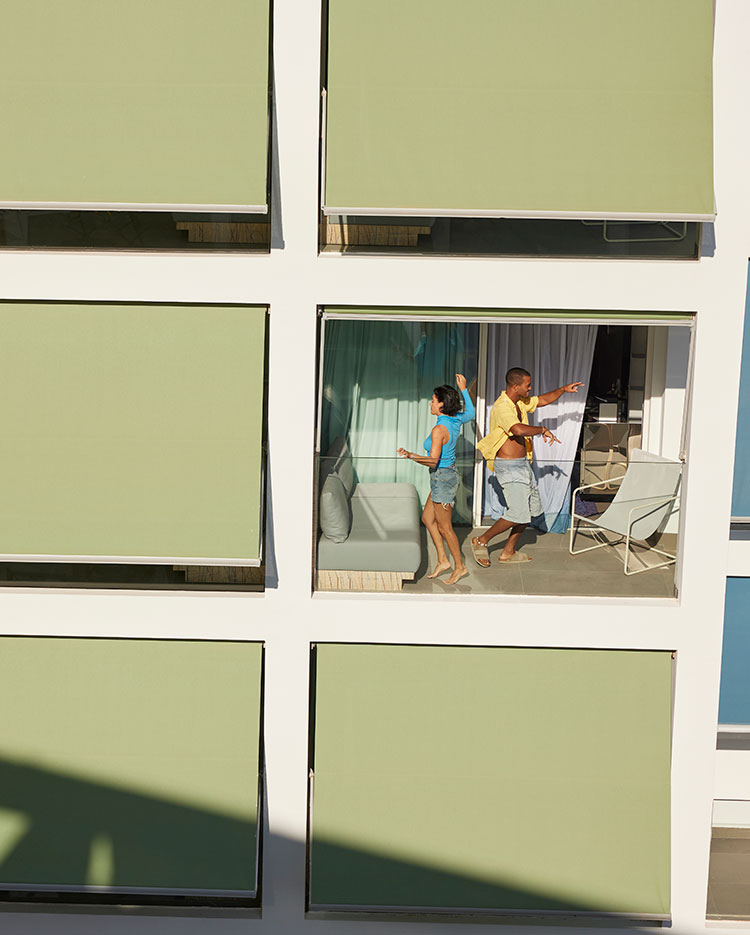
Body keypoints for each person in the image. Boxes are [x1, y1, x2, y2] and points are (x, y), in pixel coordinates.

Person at [472, 368, 583, 566]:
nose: (530, 388)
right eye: (527, 385)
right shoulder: (502, 407)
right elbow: (517, 429)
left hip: (523, 465)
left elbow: (542, 400)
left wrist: (564, 389)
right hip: (509, 467)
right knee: (517, 513)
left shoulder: (519, 402)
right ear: (516, 387)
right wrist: (542, 430)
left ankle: (508, 551)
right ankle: (481, 540)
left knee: (529, 512)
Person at [398, 374, 475, 585]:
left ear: (441, 404)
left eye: (433, 400)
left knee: (445, 527)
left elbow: (433, 461)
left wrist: (411, 455)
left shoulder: (439, 429)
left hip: (442, 478)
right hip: (444, 476)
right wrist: (464, 388)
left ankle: (459, 566)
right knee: (427, 518)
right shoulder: (455, 418)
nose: (430, 403)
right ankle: (443, 560)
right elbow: (471, 412)